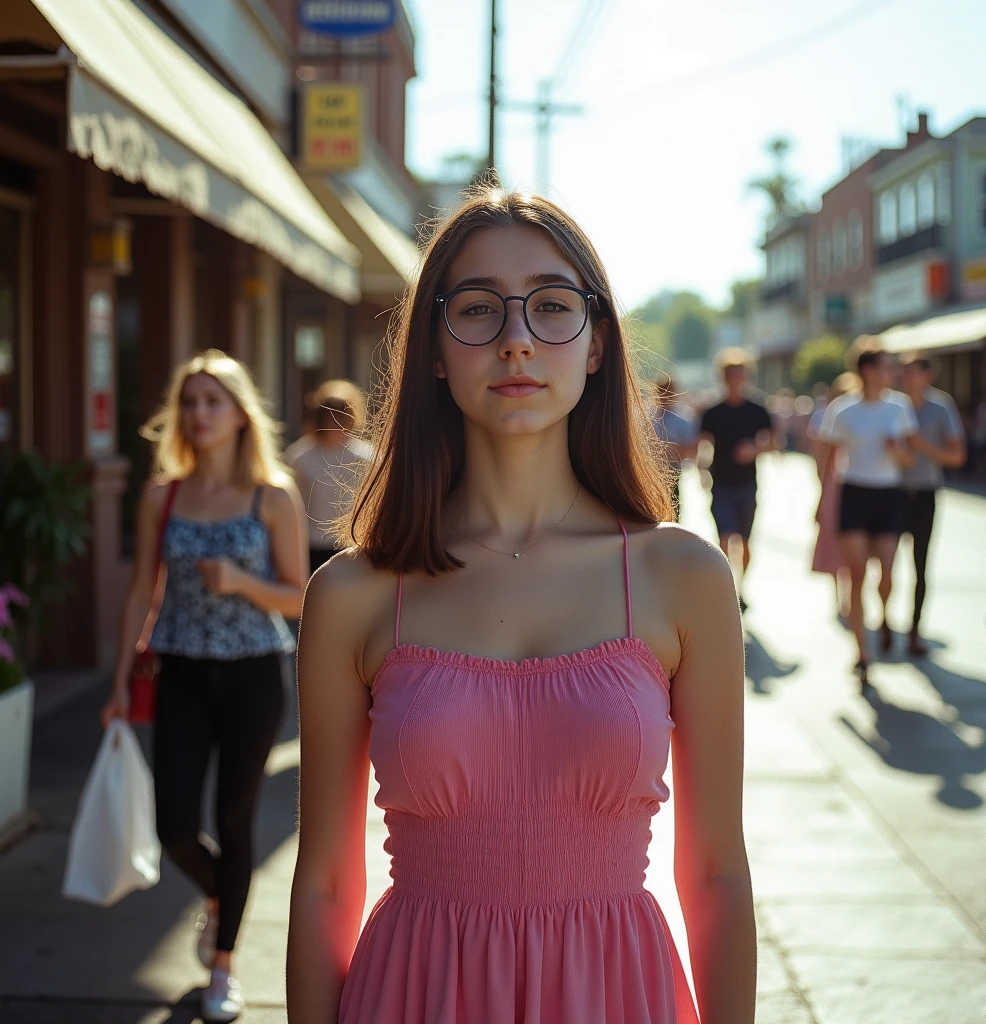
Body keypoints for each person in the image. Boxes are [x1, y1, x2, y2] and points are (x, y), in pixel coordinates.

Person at [287, 189, 755, 1024]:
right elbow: (324, 881)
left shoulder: (682, 575)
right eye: (476, 309)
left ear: (599, 343)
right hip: (414, 998)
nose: (515, 339)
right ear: (434, 348)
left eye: (551, 306)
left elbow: (716, 868)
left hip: (618, 998)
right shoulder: (354, 595)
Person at [101, 349, 308, 1023]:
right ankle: (223, 896)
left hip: (254, 676)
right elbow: (141, 593)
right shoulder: (162, 495)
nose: (197, 414)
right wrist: (118, 683)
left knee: (236, 820)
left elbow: (300, 597)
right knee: (176, 826)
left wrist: (243, 582)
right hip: (181, 671)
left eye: (211, 401)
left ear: (240, 414)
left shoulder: (273, 496)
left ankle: (224, 967)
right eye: (188, 403)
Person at [818, 341, 917, 691]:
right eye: (888, 366)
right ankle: (862, 653)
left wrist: (899, 451)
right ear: (869, 370)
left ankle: (886, 615)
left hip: (888, 495)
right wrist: (821, 500)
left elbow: (910, 460)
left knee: (887, 572)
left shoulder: (899, 407)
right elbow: (827, 458)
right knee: (856, 575)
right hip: (854, 494)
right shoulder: (843, 410)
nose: (893, 372)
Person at [897, 353, 966, 654]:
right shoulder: (893, 404)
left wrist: (922, 446)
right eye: (905, 372)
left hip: (925, 492)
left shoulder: (941, 407)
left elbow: (957, 456)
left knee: (920, 564)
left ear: (927, 375)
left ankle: (914, 628)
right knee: (883, 562)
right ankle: (885, 621)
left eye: (914, 372)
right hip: (891, 492)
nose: (908, 377)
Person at [698, 348, 775, 611]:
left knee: (744, 542)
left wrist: (753, 450)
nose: (735, 379)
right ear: (723, 377)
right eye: (731, 375)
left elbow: (774, 442)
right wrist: (701, 470)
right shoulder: (713, 411)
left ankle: (741, 588)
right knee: (724, 539)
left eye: (740, 374)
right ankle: (728, 589)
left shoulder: (757, 410)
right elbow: (702, 443)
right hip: (721, 483)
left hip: (747, 483)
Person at [285, 379, 371, 573]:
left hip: (354, 547)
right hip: (312, 546)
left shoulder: (367, 458)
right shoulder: (300, 457)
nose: (334, 424)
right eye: (328, 417)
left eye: (340, 416)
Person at [809, 372, 860, 618]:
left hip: (857, 486)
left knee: (856, 545)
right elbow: (821, 458)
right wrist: (822, 492)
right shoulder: (830, 418)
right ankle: (840, 595)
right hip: (834, 486)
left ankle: (853, 595)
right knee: (833, 541)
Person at [651, 371, 698, 521]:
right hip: (649, 474)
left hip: (673, 472)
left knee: (673, 513)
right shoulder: (646, 415)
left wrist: (667, 450)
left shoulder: (683, 418)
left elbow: (691, 449)